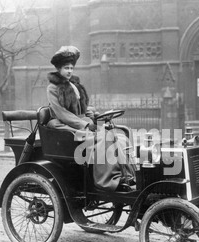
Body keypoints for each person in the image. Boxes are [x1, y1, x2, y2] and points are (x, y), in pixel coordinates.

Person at [46, 46, 135, 192]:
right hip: (64, 125)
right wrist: (85, 125)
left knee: (119, 137)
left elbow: (83, 106)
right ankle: (106, 181)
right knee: (102, 138)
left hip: (81, 122)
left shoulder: (74, 85)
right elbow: (62, 113)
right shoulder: (52, 88)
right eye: (65, 68)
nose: (69, 71)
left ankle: (126, 175)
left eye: (71, 68)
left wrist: (93, 114)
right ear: (59, 69)